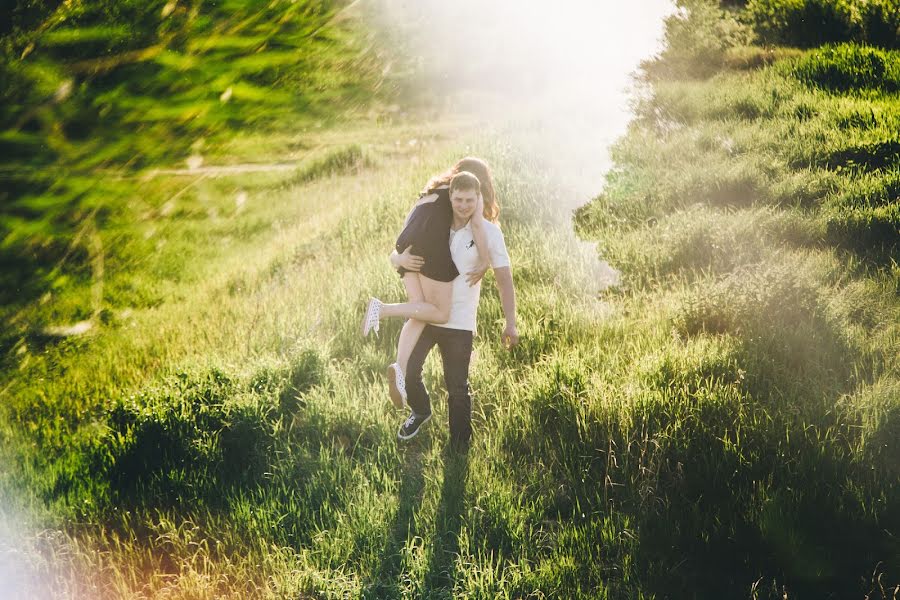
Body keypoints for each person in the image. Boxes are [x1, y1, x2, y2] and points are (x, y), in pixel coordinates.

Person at [392, 170, 518, 447]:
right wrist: (397, 257)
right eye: (458, 199)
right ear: (450, 196)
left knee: (457, 388)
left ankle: (459, 448)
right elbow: (401, 248)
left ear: (479, 198)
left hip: (459, 321)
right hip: (426, 314)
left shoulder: (490, 234)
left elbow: (504, 281)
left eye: (469, 200)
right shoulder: (434, 224)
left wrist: (511, 322)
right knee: (409, 371)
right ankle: (421, 411)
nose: (463, 206)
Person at [361, 158, 496, 409]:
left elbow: (407, 226)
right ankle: (382, 309)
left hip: (407, 247)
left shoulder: (433, 191)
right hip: (430, 248)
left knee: (419, 309)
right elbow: (477, 224)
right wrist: (485, 260)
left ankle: (399, 372)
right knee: (441, 312)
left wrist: (399, 257)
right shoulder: (466, 192)